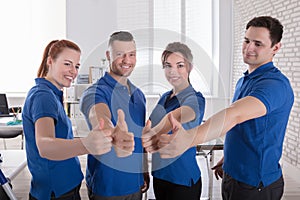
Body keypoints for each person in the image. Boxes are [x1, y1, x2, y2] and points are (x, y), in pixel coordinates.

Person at [144, 16, 294, 200]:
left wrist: (188, 138)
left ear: (275, 48)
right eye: (246, 40)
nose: (249, 48)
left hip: (255, 184)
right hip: (232, 174)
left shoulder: (274, 85)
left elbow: (234, 116)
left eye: (258, 43)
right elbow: (242, 126)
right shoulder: (245, 80)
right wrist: (230, 158)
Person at [22, 40, 113, 200]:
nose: (73, 71)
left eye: (76, 66)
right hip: (56, 192)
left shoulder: (52, 93)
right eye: (67, 64)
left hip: (64, 187)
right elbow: (44, 145)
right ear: (50, 61)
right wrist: (87, 144)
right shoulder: (43, 96)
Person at [80, 31, 149, 200]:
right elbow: (98, 115)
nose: (127, 60)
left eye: (131, 54)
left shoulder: (139, 95)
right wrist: (109, 130)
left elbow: (140, 138)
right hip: (107, 188)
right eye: (120, 55)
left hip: (135, 183)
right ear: (108, 55)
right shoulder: (95, 92)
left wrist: (144, 170)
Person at [142, 42, 205, 200]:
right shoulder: (164, 97)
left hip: (182, 180)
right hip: (160, 176)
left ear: (189, 67)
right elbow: (148, 126)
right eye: (168, 65)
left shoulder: (195, 99)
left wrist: (153, 133)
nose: (173, 71)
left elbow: (178, 115)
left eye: (180, 65)